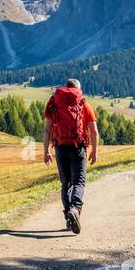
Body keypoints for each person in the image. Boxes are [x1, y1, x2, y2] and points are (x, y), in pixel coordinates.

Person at [42, 78, 99, 233]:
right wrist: (94, 151)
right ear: (78, 90)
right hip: (78, 148)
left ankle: (69, 217)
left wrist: (46, 151)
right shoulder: (83, 103)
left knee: (65, 184)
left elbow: (47, 130)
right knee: (79, 182)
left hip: (60, 147)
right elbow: (93, 130)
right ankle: (75, 209)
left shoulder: (54, 103)